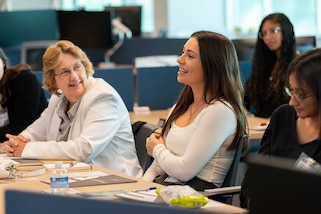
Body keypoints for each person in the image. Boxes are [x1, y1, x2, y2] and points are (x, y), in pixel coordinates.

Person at [3, 40, 143, 177]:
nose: (74, 77)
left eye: (77, 67)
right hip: (78, 177)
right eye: (65, 72)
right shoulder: (59, 98)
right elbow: (35, 133)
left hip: (115, 182)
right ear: (53, 79)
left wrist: (26, 149)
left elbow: (84, 149)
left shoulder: (102, 97)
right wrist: (15, 143)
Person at [142, 31, 248, 191]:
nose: (179, 59)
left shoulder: (220, 111)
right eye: (182, 52)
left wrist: (157, 148)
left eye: (190, 56)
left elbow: (184, 172)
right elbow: (158, 166)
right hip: (167, 191)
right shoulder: (181, 106)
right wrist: (140, 188)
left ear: (212, 65)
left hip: (197, 200)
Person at [240, 47, 321, 208]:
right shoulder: (282, 117)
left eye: (301, 94)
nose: (292, 101)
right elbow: (252, 181)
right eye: (291, 91)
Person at [244, 13, 297, 118]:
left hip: (285, 123)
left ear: (286, 32)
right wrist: (246, 114)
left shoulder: (297, 64)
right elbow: (245, 96)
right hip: (261, 125)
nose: (267, 37)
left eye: (273, 31)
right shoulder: (264, 65)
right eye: (264, 33)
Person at [0, 47, 47, 144]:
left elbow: (20, 130)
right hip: (10, 149)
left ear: (3, 62)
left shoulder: (24, 80)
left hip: (38, 146)